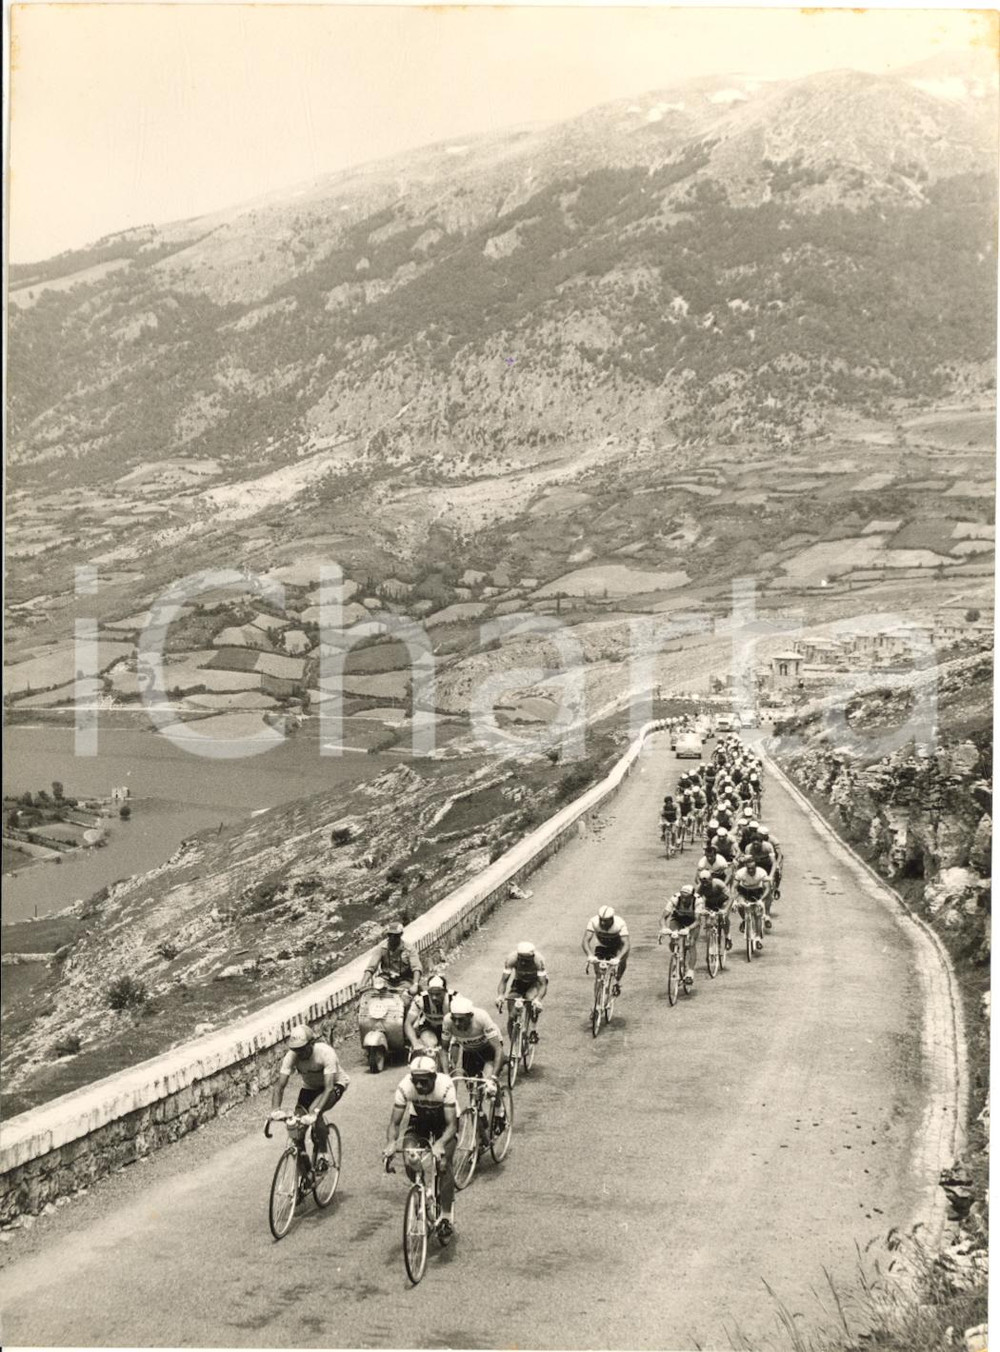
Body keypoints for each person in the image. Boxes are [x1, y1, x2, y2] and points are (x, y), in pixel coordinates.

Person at [383, 1053, 458, 1238]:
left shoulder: (446, 1084)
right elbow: (395, 1123)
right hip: (420, 1121)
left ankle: (446, 1217)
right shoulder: (404, 1087)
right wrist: (391, 1143)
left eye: (424, 1082)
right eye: (415, 1081)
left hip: (444, 1123)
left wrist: (440, 1144)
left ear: (433, 1077)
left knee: (443, 1163)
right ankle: (422, 1191)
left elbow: (452, 1126)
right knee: (410, 1157)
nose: (418, 1086)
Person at [270, 1024, 349, 1167]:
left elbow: (328, 1088)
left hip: (333, 1085)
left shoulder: (325, 1053)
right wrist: (275, 1110)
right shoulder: (292, 1056)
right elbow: (279, 1086)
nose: (300, 1054)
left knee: (314, 1112)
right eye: (296, 1050)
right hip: (310, 1088)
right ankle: (305, 1174)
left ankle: (323, 1155)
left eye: (303, 1049)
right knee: (296, 1129)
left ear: (312, 1043)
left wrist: (315, 1113)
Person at [441, 995, 505, 1087]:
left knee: (488, 1083)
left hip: (488, 1049)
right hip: (469, 1051)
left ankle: (496, 1098)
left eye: (461, 1019)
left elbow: (498, 1049)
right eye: (454, 1019)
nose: (456, 1023)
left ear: (470, 1016)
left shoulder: (481, 1017)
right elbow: (444, 1050)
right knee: (470, 1085)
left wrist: (494, 1076)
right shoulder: (447, 1021)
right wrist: (446, 1075)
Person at [363, 922, 423, 1008]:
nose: (392, 938)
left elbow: (416, 967)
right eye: (390, 935)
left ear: (401, 934)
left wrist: (415, 984)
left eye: (396, 936)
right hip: (386, 979)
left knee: (405, 1001)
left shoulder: (409, 949)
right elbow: (371, 967)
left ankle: (406, 1018)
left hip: (404, 980)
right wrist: (363, 983)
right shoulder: (381, 948)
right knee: (374, 999)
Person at [496, 942, 548, 1039]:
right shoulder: (511, 958)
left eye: (527, 960)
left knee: (530, 1000)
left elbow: (543, 984)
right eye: (521, 960)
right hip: (519, 981)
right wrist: (500, 995)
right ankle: (514, 1046)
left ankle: (533, 1029)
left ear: (532, 957)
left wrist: (538, 999)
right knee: (511, 1014)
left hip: (534, 982)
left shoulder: (539, 960)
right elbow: (504, 980)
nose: (524, 963)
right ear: (518, 956)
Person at [404, 974, 454, 1068]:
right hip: (430, 1027)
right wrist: (415, 1042)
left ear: (445, 991)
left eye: (438, 994)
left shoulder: (454, 998)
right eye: (431, 994)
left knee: (452, 1051)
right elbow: (408, 1023)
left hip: (450, 1028)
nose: (434, 997)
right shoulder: (421, 999)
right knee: (430, 1047)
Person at [582, 905, 631, 996]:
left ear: (612, 919)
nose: (603, 923)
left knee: (622, 960)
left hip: (617, 946)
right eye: (601, 920)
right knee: (599, 974)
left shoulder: (620, 923)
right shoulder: (593, 921)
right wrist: (589, 955)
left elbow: (626, 944)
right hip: (602, 945)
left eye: (606, 920)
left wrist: (618, 958)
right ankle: (597, 1003)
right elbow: (585, 940)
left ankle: (617, 981)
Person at [659, 884, 700, 985]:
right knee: (674, 938)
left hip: (692, 922)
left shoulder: (698, 901)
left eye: (687, 898)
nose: (684, 900)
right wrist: (663, 928)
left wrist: (688, 929)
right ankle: (677, 959)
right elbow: (663, 918)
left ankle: (690, 972)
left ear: (691, 896)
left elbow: (698, 921)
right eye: (682, 897)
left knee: (691, 944)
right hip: (678, 920)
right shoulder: (674, 899)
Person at [697, 868, 733, 950]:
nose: (705, 885)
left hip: (722, 902)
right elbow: (697, 900)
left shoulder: (718, 883)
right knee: (708, 922)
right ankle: (711, 939)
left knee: (724, 917)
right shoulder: (699, 887)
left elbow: (730, 897)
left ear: (711, 879)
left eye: (707, 882)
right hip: (710, 903)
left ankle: (728, 937)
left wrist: (726, 910)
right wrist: (700, 909)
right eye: (703, 882)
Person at [734, 858, 773, 932]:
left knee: (769, 895)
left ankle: (767, 916)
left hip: (757, 891)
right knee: (740, 905)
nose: (751, 870)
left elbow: (767, 888)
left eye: (752, 868)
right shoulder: (740, 872)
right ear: (746, 867)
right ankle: (744, 920)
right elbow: (734, 887)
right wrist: (734, 900)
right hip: (744, 891)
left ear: (756, 867)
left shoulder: (761, 872)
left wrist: (761, 900)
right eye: (749, 868)